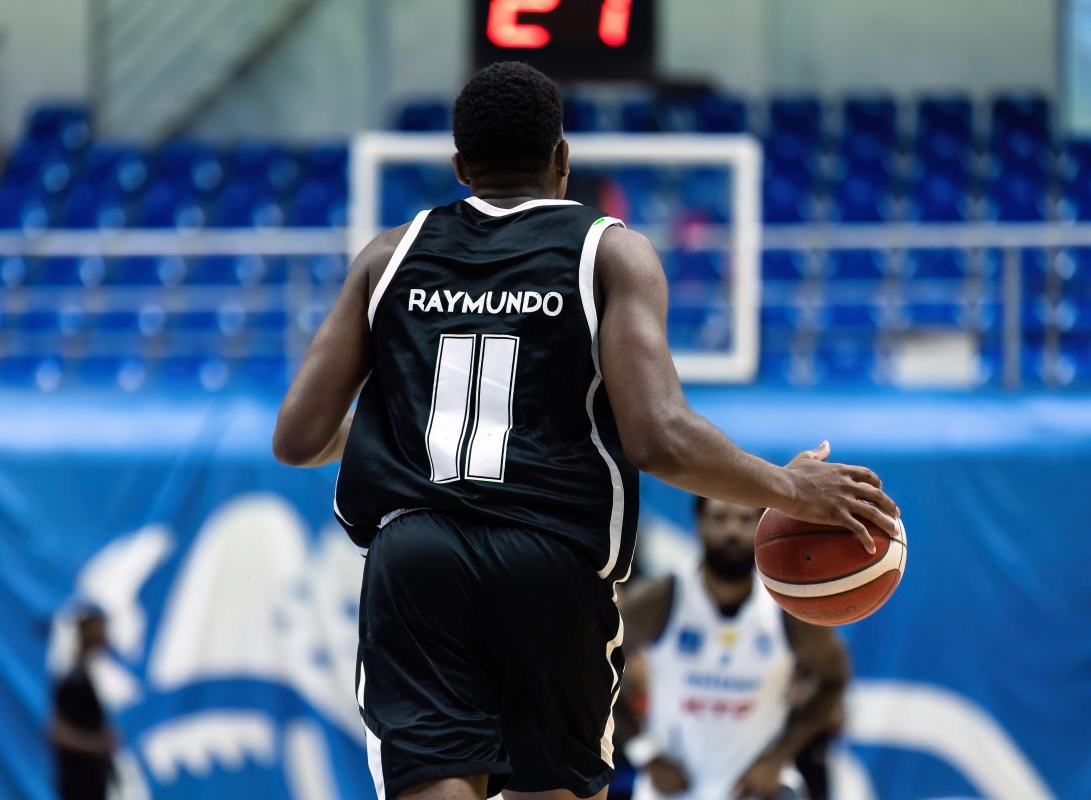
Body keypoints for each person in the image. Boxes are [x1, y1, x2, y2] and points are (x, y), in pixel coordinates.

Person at [272, 61, 899, 800]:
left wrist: (402, 425)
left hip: (416, 559)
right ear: (562, 159)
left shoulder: (388, 256)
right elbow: (659, 438)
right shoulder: (610, 251)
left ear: (460, 166)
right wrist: (790, 487)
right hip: (549, 557)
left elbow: (298, 438)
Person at [617, 498, 848, 800]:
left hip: (755, 789)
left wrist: (779, 757)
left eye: (745, 520)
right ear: (699, 524)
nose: (732, 531)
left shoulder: (787, 608)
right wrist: (645, 752)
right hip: (673, 788)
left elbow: (834, 680)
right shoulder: (661, 599)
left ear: (763, 529)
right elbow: (594, 667)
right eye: (720, 518)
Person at [49, 607, 117, 800]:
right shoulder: (74, 682)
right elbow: (57, 733)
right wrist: (96, 744)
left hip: (93, 781)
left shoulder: (90, 679)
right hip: (79, 783)